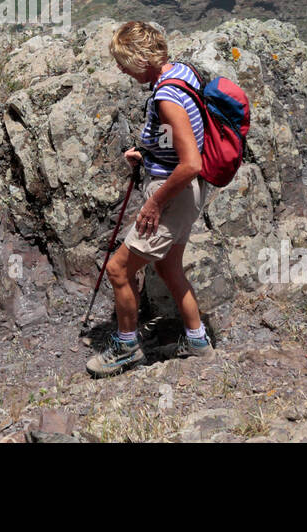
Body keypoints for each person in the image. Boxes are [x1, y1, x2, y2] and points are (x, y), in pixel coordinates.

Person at [86, 21, 216, 377]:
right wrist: (149, 156)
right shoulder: (184, 74)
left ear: (142, 58)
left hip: (173, 195)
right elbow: (182, 144)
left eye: (124, 62)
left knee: (117, 270)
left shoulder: (166, 96)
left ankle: (126, 348)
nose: (120, 69)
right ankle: (197, 339)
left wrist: (154, 203)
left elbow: (191, 163)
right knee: (168, 266)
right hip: (186, 192)